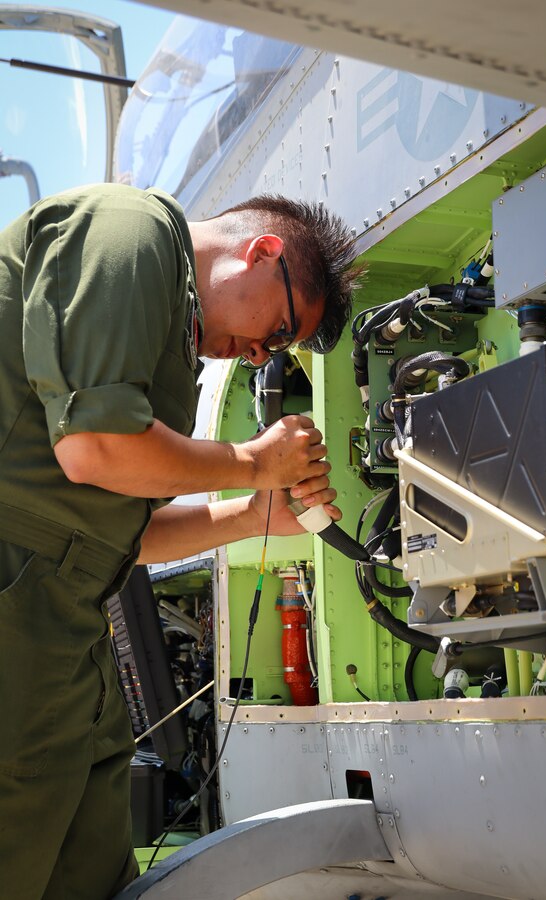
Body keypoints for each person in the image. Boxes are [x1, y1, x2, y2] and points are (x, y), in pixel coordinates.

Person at [0, 182, 360, 900]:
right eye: (280, 332)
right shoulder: (128, 230)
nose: (262, 356)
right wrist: (253, 461)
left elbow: (112, 538)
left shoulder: (163, 327)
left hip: (64, 620)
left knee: (83, 873)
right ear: (263, 253)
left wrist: (253, 515)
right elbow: (97, 449)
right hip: (23, 606)